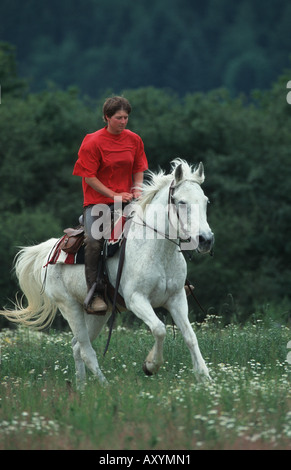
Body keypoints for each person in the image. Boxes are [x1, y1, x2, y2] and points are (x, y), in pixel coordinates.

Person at [73, 96, 148, 314]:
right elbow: (89, 177)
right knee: (95, 242)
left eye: (126, 117)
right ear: (107, 117)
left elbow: (138, 168)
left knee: (159, 227)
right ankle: (94, 294)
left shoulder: (134, 140)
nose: (123, 121)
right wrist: (114, 194)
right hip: (98, 203)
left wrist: (138, 189)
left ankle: (173, 282)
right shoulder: (92, 141)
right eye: (118, 118)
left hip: (127, 200)